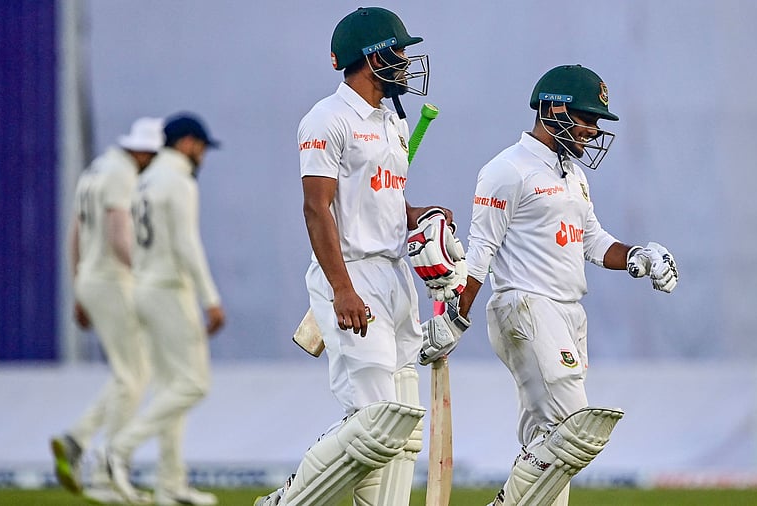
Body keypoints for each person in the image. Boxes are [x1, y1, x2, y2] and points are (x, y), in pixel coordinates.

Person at [417, 64, 679, 506]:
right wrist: (454, 320)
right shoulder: (507, 169)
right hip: (526, 307)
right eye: (587, 117)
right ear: (554, 109)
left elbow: (592, 240)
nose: (593, 131)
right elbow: (481, 251)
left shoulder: (573, 174)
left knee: (549, 441)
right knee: (576, 427)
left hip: (568, 313)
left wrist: (637, 255)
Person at [255, 7, 464, 506]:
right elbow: (316, 208)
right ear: (372, 57)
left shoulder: (393, 117)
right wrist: (342, 288)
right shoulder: (327, 119)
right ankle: (288, 501)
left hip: (395, 277)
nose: (407, 61)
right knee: (376, 422)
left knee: (402, 429)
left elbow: (381, 200)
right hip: (351, 276)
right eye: (399, 51)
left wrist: (417, 213)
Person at [106, 113, 225, 506]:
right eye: (202, 147)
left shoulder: (147, 178)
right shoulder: (178, 179)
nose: (203, 155)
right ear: (188, 143)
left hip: (143, 287)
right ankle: (119, 448)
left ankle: (170, 484)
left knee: (170, 387)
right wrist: (210, 299)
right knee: (194, 384)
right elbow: (186, 243)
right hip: (169, 290)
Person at [50, 117, 163, 502]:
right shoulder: (121, 173)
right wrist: (148, 276)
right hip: (114, 281)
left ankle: (77, 439)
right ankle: (105, 474)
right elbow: (118, 236)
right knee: (134, 377)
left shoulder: (96, 169)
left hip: (93, 279)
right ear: (144, 152)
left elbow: (75, 232)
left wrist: (78, 286)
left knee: (129, 374)